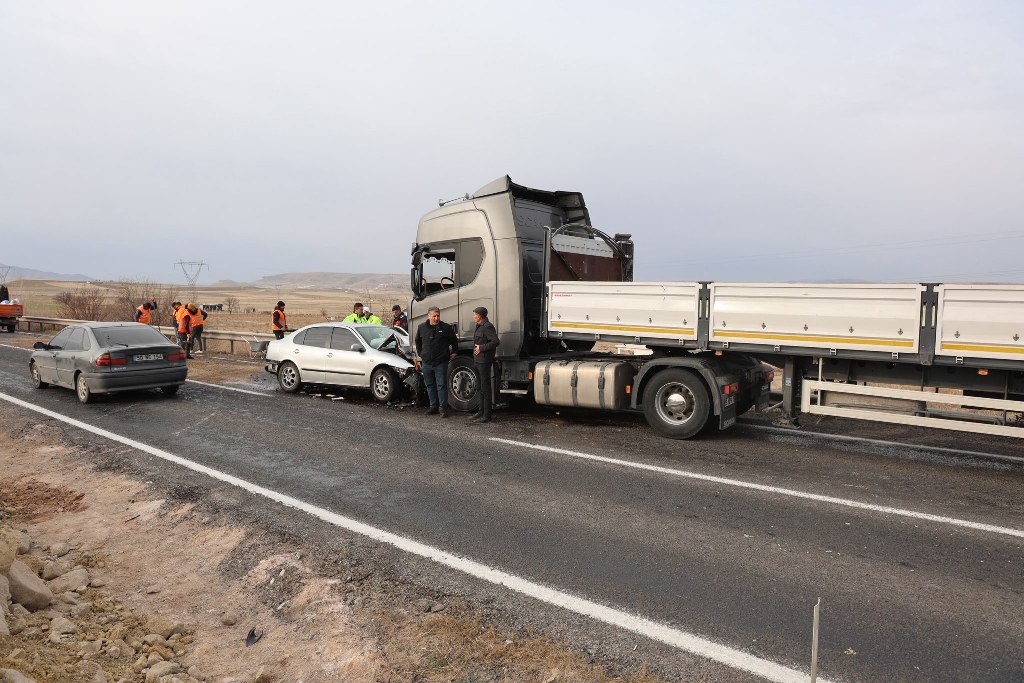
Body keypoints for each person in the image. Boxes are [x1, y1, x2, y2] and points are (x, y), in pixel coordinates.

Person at [414, 306, 457, 418]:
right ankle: (433, 406)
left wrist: (454, 352)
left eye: (438, 316)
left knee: (441, 385)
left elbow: (454, 340)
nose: (436, 318)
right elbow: (417, 341)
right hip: (427, 362)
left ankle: (443, 409)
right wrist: (420, 353)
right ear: (429, 316)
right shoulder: (422, 327)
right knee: (429, 385)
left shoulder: (446, 327)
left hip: (441, 362)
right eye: (434, 316)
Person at [471, 306, 500, 423]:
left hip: (484, 361)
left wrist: (482, 348)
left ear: (480, 316)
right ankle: (480, 412)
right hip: (478, 360)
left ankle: (487, 415)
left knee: (485, 388)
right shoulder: (479, 326)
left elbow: (495, 341)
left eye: (475, 314)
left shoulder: (487, 326)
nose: (473, 316)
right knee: (480, 387)